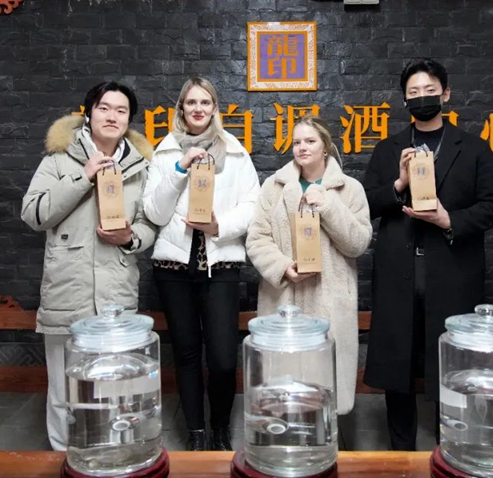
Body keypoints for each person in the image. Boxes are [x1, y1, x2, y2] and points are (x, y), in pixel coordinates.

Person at [362, 58, 493, 450]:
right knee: (398, 365)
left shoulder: (473, 148)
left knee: (452, 364)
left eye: (429, 91)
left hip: (452, 272)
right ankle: (401, 451)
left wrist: (449, 220)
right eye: (413, 92)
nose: (422, 98)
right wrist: (398, 184)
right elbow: (366, 204)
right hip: (399, 273)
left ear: (445, 95)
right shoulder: (388, 148)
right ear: (404, 100)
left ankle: (454, 447)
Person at [21, 81, 157, 451]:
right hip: (68, 288)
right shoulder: (59, 159)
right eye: (104, 108)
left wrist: (130, 237)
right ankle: (63, 456)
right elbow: (33, 214)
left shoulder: (141, 166)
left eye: (121, 111)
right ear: (88, 113)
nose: (112, 116)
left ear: (128, 120)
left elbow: (149, 224)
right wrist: (83, 176)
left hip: (116, 290)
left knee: (115, 387)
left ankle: (113, 457)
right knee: (64, 389)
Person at [142, 77, 260, 451]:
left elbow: (252, 206)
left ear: (214, 109)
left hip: (221, 266)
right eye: (191, 102)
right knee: (187, 354)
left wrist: (218, 226)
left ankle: (220, 427)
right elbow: (154, 212)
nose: (198, 109)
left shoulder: (236, 153)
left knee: (223, 358)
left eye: (205, 102)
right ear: (181, 109)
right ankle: (195, 431)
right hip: (173, 269)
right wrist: (179, 169)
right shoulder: (164, 153)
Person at [246, 115, 371, 417]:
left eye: (310, 141)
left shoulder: (349, 189)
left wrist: (327, 205)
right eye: (297, 142)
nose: (302, 147)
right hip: (284, 300)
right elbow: (257, 237)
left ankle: (326, 439)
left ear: (325, 147)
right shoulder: (274, 187)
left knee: (324, 396)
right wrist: (282, 267)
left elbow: (357, 243)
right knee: (283, 394)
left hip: (330, 300)